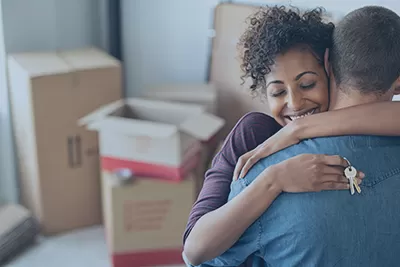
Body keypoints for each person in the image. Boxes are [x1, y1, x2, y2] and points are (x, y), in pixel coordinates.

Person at [183, 5, 400, 267]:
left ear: (328, 66)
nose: (295, 103)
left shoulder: (280, 151)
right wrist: (274, 180)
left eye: (307, 84)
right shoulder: (253, 140)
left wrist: (300, 129)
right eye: (277, 92)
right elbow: (194, 251)